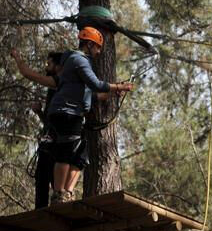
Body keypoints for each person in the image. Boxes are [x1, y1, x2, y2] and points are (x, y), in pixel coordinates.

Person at [44, 27, 133, 204]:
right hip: (67, 112)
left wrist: (115, 91)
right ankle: (58, 194)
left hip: (70, 112)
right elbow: (96, 84)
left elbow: (89, 93)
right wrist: (118, 87)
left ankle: (65, 192)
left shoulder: (77, 62)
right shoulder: (79, 60)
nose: (99, 52)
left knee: (78, 153)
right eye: (98, 47)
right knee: (66, 152)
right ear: (90, 44)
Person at [10, 49, 64, 208]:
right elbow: (50, 121)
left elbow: (29, 74)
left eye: (49, 63)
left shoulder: (59, 83)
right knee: (41, 180)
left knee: (54, 182)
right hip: (48, 141)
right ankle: (41, 213)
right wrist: (40, 112)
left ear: (58, 66)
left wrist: (18, 58)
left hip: (57, 143)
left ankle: (56, 213)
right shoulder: (53, 89)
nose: (46, 66)